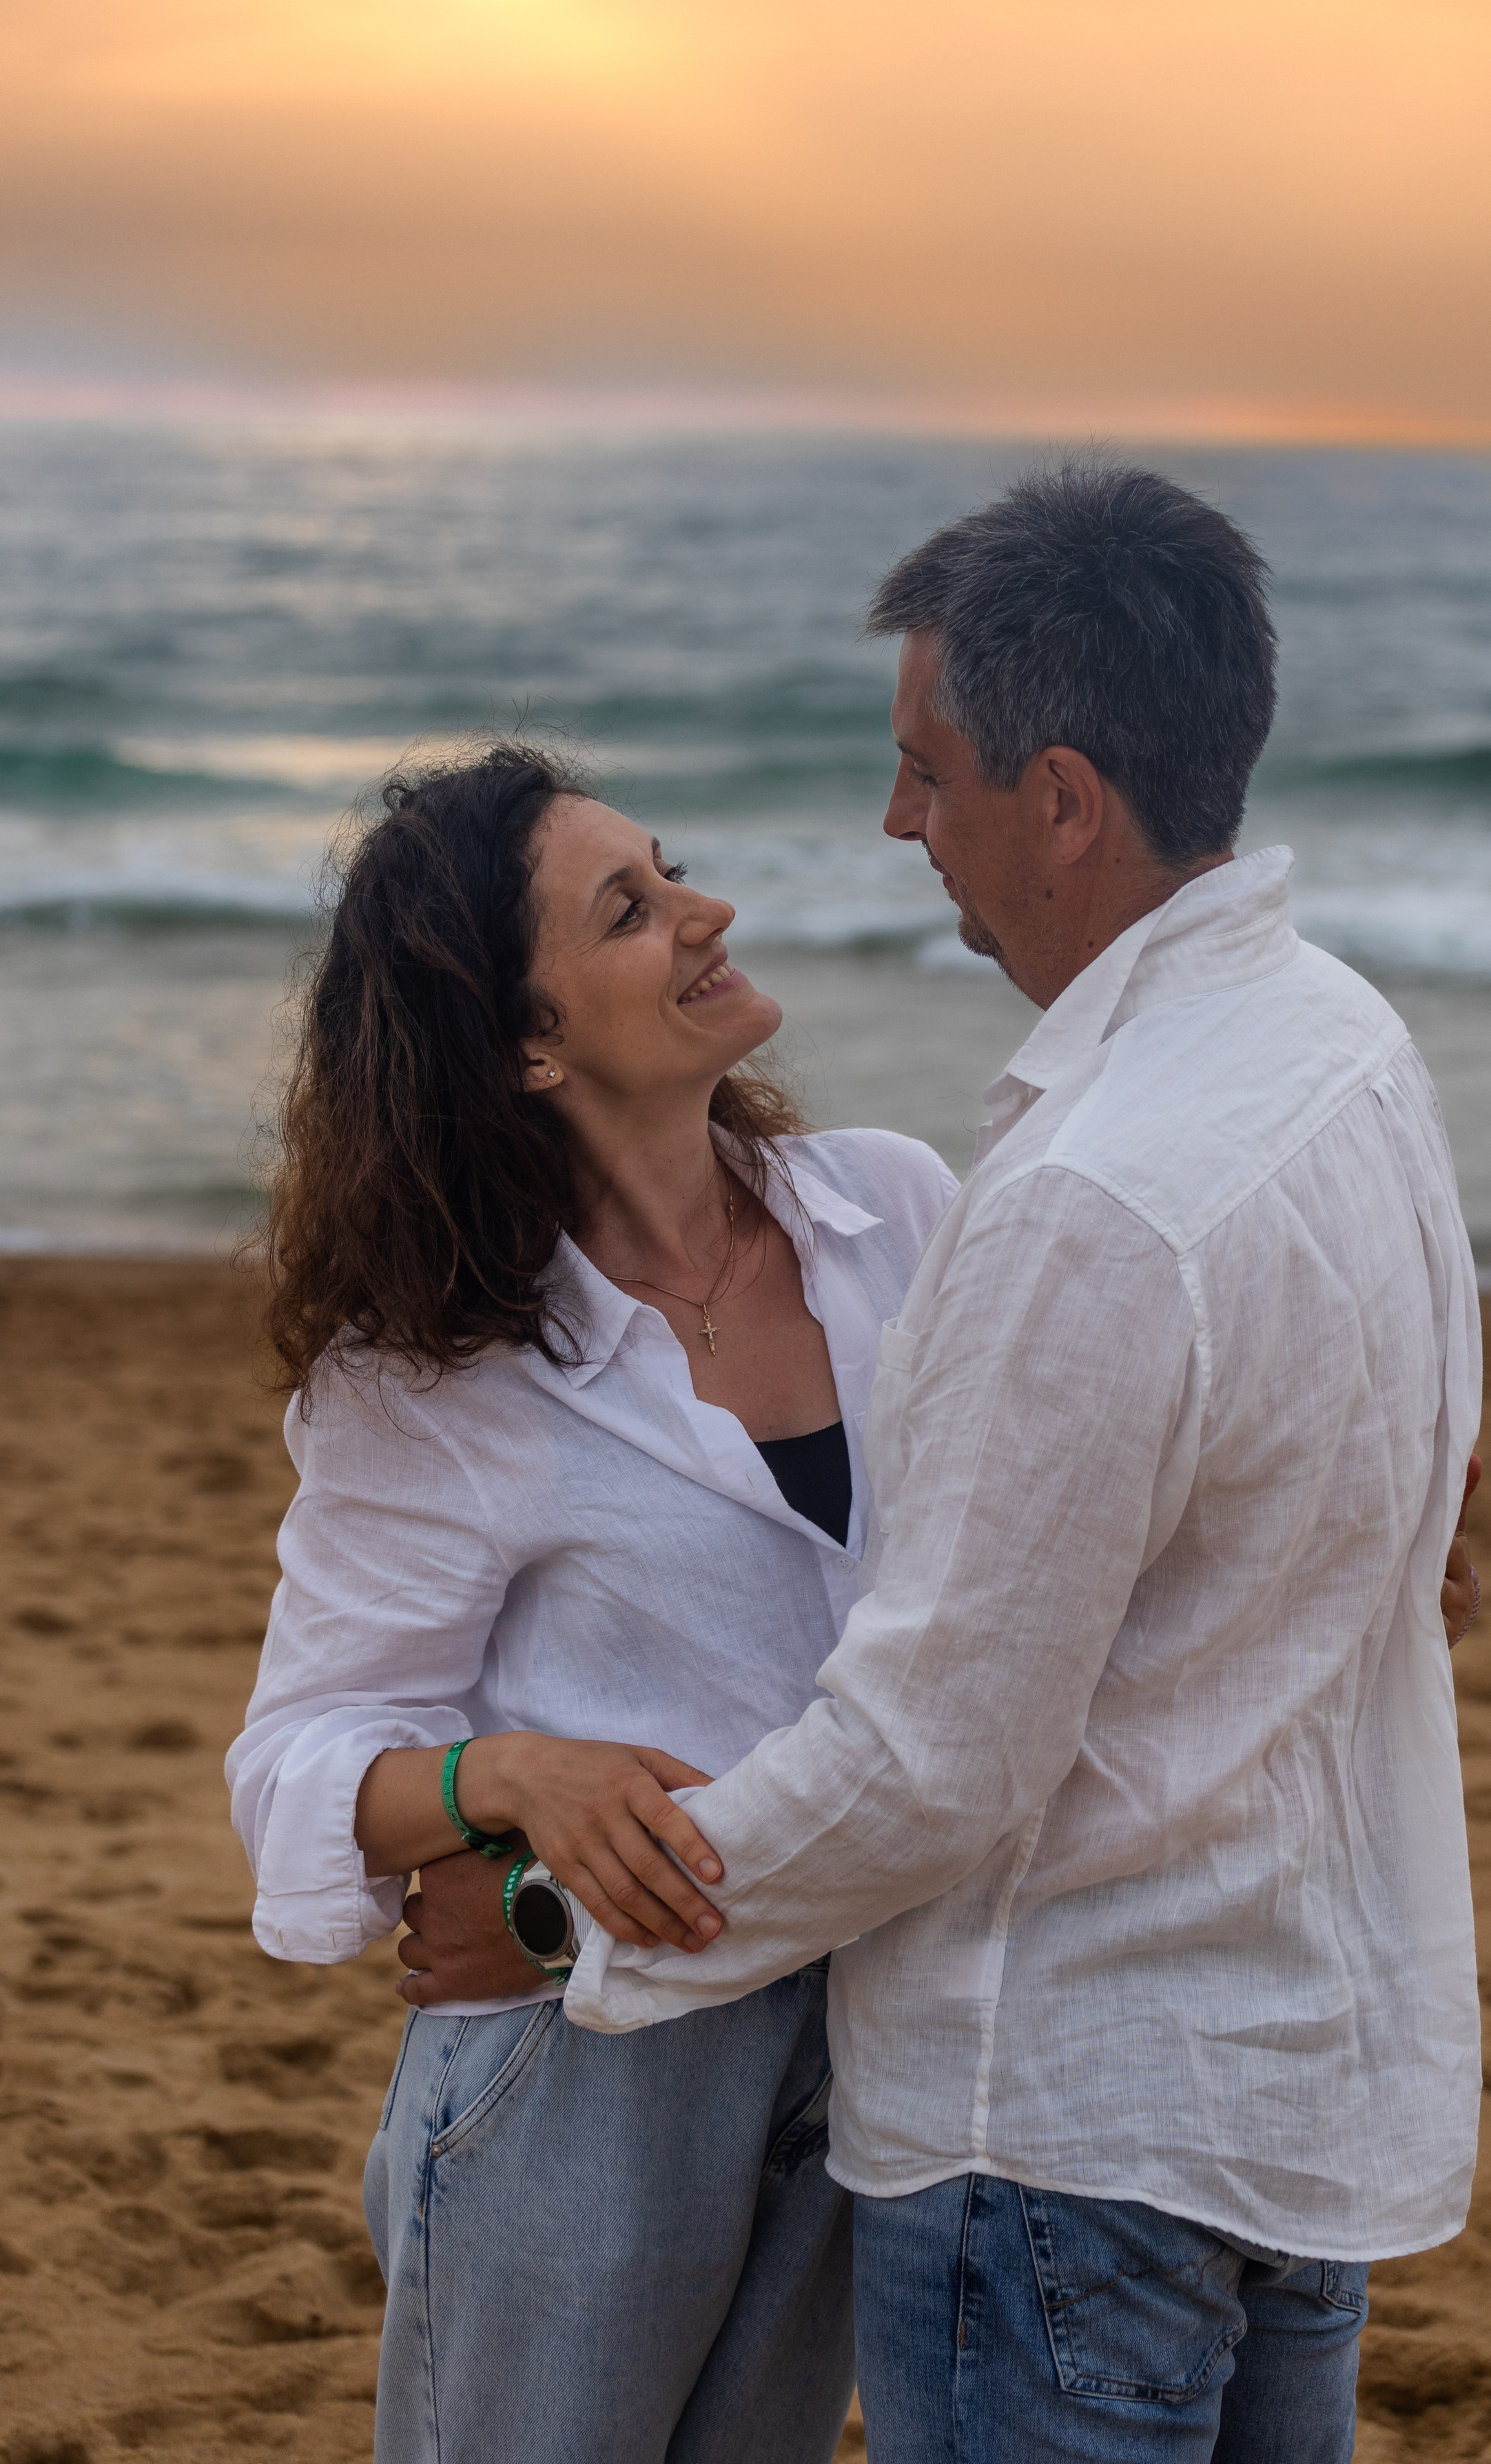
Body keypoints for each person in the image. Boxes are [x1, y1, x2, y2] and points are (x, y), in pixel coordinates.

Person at [419, 460, 1485, 2463]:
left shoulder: (1085, 1196)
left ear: (1061, 798)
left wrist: (572, 1937)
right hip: (1297, 2098)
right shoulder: (1349, 1051)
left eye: (929, 772)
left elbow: (937, 1761)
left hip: (1064, 2139)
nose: (902, 824)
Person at [225, 743, 963, 2464]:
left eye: (672, 868)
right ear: (523, 1044)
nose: (707, 914)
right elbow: (295, 1761)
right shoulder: (432, 1378)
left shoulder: (902, 1218)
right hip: (581, 2075)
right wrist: (510, 1786)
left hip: (858, 2034)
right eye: (630, 909)